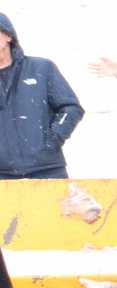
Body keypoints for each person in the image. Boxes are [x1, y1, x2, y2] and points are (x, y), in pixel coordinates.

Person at [0, 12, 84, 180]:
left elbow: (71, 108)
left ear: (8, 35)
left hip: (47, 171)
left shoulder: (41, 68)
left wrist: (50, 142)